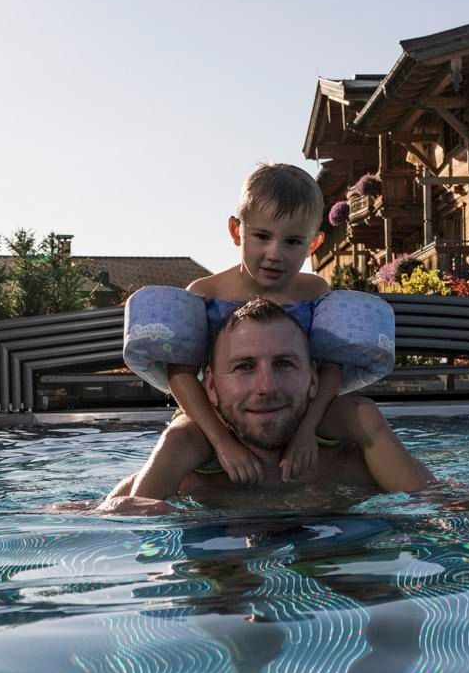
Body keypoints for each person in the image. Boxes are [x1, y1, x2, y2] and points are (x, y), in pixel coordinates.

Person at [169, 162, 394, 485]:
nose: (275, 253)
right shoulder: (205, 293)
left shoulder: (314, 291)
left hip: (300, 413)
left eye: (293, 242)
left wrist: (307, 431)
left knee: (364, 412)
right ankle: (123, 506)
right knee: (177, 438)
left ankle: (434, 499)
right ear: (236, 231)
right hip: (218, 418)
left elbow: (330, 366)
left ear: (313, 244)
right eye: (262, 236)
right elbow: (180, 373)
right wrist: (222, 441)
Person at [101, 299, 430, 513]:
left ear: (314, 379)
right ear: (210, 386)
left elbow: (444, 507)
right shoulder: (182, 479)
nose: (266, 387)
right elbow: (110, 524)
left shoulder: (364, 465)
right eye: (244, 367)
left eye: (284, 364)